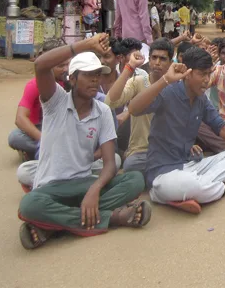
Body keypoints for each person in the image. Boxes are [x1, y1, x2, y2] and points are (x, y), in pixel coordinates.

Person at [17, 34, 151, 250]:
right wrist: (84, 45)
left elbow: (109, 163)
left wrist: (94, 189)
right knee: (29, 204)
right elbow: (41, 65)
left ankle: (53, 226)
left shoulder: (103, 111)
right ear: (72, 78)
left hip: (85, 181)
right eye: (88, 75)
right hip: (53, 186)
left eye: (97, 75)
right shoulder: (56, 101)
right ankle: (112, 218)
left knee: (134, 179)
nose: (95, 80)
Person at [127, 47, 225, 215]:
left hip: (190, 165)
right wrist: (165, 80)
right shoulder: (168, 92)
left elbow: (222, 127)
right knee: (191, 184)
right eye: (202, 74)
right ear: (188, 73)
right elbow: (133, 109)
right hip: (164, 173)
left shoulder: (201, 99)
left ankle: (186, 194)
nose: (207, 80)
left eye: (209, 74)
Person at [105, 38, 173, 172]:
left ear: (171, 62)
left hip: (168, 149)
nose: (157, 62)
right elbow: (110, 102)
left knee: (195, 155)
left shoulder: (176, 85)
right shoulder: (138, 82)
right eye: (154, 58)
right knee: (131, 165)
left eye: (162, 59)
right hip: (142, 151)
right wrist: (129, 67)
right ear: (149, 59)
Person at [9, 40, 68, 161]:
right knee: (15, 137)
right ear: (47, 66)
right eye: (61, 66)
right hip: (39, 129)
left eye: (67, 64)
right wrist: (43, 139)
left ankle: (44, 151)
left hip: (61, 128)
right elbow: (20, 119)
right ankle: (49, 149)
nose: (65, 69)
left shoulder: (70, 81)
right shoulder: (34, 85)